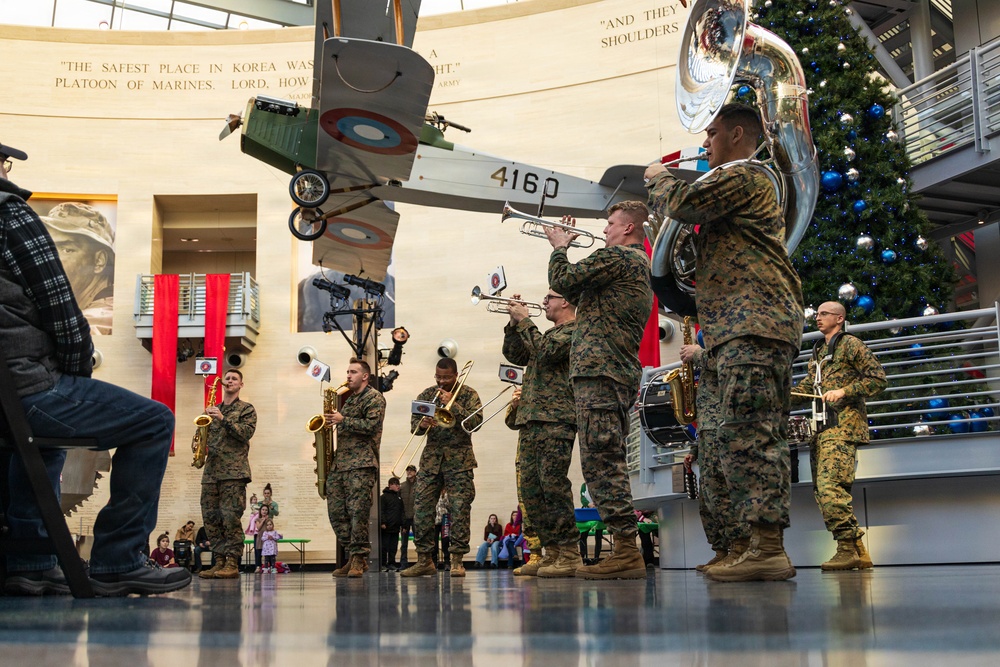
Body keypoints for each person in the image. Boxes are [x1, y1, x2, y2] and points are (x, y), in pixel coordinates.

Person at [0, 147, 190, 597]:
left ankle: (29, 560)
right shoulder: (10, 214)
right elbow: (62, 311)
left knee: (41, 439)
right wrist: (76, 373)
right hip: (25, 385)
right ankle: (119, 561)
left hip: (8, 398)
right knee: (154, 421)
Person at [645, 103, 805, 582]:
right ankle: (751, 543)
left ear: (738, 134)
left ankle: (768, 547)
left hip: (753, 322)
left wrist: (657, 176)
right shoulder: (738, 187)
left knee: (751, 434)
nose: (705, 143)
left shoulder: (748, 174)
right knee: (740, 435)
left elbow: (682, 202)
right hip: (737, 324)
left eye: (711, 134)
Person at [544, 199, 653, 580]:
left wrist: (559, 246)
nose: (604, 230)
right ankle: (624, 546)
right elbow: (579, 292)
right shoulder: (625, 264)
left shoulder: (622, 257)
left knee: (601, 461)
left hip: (602, 374)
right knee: (601, 459)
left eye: (609, 224)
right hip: (605, 373)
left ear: (628, 228)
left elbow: (565, 281)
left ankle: (625, 548)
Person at [792, 301, 886, 570]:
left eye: (824, 314)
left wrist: (844, 391)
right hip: (820, 430)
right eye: (817, 314)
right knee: (821, 492)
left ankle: (847, 547)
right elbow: (811, 386)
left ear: (840, 318)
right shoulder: (819, 350)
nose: (818, 318)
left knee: (830, 488)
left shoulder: (851, 344)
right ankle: (858, 552)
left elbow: (878, 379)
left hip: (843, 427)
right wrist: (784, 394)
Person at [503, 289, 581, 578]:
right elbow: (515, 353)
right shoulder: (545, 334)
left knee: (553, 486)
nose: (544, 301)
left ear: (567, 301)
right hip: (532, 419)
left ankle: (570, 552)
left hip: (556, 419)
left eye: (550, 297)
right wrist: (513, 325)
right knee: (532, 490)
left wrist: (524, 321)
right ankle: (552, 551)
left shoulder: (575, 331)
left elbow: (546, 353)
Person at [401, 358, 483, 578]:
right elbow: (414, 428)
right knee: (421, 510)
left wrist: (453, 404)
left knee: (460, 509)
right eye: (438, 376)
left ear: (455, 375)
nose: (442, 381)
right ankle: (424, 559)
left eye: (446, 377)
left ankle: (456, 560)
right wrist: (422, 424)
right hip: (431, 460)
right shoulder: (427, 394)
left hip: (460, 460)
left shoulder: (469, 394)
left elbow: (477, 423)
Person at [325, 358, 386, 578]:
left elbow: (371, 426)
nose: (348, 375)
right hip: (341, 464)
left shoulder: (374, 398)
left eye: (353, 372)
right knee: (336, 513)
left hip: (362, 463)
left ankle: (359, 559)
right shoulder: (349, 400)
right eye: (347, 371)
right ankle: (352, 556)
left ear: (365, 376)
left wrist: (343, 419)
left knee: (357, 513)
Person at [198, 368, 257, 580]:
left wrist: (222, 418)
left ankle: (233, 562)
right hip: (211, 472)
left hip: (233, 472)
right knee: (211, 517)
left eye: (234, 379)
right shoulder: (213, 410)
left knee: (230, 517)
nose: (230, 381)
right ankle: (219, 560)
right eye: (228, 378)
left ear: (241, 385)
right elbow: (205, 438)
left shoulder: (246, 409)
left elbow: (245, 433)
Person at [679, 340, 733, 572]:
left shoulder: (725, 345)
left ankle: (738, 548)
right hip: (707, 431)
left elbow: (728, 363)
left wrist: (697, 354)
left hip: (721, 427)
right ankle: (721, 551)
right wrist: (694, 450)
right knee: (707, 498)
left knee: (719, 492)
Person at [38, 201, 115, 335]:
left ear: (99, 261)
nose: (50, 260)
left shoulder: (100, 319)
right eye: (48, 249)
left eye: (67, 250)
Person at [380, 477, 404, 571]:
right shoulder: (383, 497)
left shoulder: (399, 498)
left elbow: (402, 511)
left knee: (393, 547)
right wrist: (383, 522)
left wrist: (403, 525)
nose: (398, 486)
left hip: (396, 526)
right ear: (390, 485)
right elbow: (381, 511)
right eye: (396, 484)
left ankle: (391, 563)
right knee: (384, 546)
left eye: (398, 484)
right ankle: (382, 564)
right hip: (386, 526)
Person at [398, 464, 417, 569]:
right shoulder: (402, 486)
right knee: (404, 543)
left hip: (415, 517)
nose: (409, 472)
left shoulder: (419, 485)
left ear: (415, 472)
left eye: (411, 471)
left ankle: (421, 562)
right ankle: (403, 563)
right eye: (408, 471)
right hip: (405, 518)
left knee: (418, 541)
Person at [432, 491, 451, 570]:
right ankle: (434, 563)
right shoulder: (433, 493)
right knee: (434, 543)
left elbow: (450, 506)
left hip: (445, 520)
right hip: (434, 520)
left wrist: (445, 497)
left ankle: (447, 562)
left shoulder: (447, 493)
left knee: (445, 542)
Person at [250, 503, 271, 573]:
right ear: (260, 511)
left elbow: (271, 528)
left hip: (267, 538)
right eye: (263, 510)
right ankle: (258, 567)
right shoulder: (257, 519)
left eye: (266, 510)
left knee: (268, 553)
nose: (264, 511)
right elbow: (258, 528)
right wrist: (263, 520)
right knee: (258, 553)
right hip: (259, 537)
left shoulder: (269, 519)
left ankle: (268, 567)